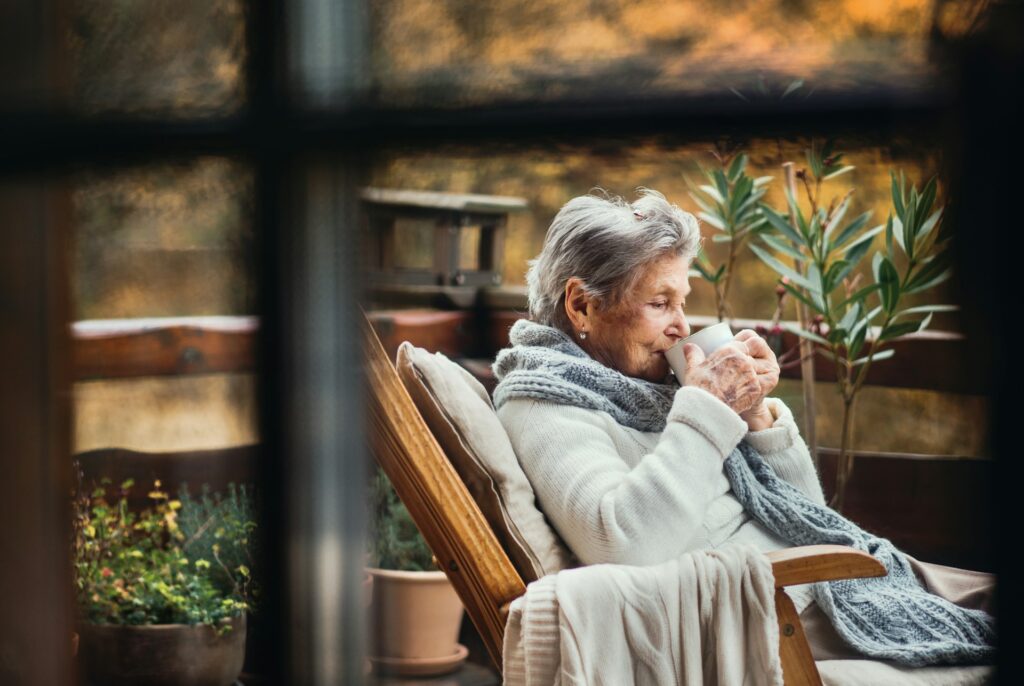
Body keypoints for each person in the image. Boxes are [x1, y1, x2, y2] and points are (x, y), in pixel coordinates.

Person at [491, 188, 995, 681]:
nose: (681, 327)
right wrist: (708, 408)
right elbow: (622, 541)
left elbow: (805, 512)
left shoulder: (645, 390)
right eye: (660, 303)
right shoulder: (545, 402)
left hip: (822, 585)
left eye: (682, 302)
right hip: (771, 615)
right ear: (581, 305)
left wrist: (753, 417)